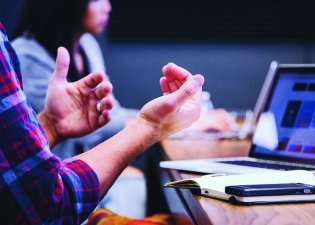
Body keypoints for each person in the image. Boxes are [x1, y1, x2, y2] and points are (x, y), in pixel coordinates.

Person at [12, 0, 233, 217]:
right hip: (51, 186)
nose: (108, 6)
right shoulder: (27, 56)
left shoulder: (87, 44)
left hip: (79, 170)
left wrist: (170, 119)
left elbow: (109, 113)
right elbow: (100, 127)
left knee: (135, 181)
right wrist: (171, 124)